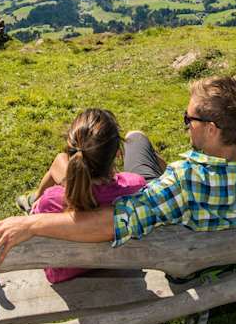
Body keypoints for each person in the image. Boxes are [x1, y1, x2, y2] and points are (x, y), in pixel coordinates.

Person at [0, 76, 236, 266]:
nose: (186, 124)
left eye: (190, 118)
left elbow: (112, 223)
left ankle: (37, 198)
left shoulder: (182, 184)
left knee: (137, 139)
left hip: (193, 261)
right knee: (139, 146)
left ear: (212, 129)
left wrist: (30, 224)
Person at [23, 108, 159, 283]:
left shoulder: (51, 201)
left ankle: (32, 200)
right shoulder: (136, 187)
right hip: (123, 265)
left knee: (56, 164)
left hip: (64, 275)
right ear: (117, 153)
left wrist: (39, 202)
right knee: (140, 142)